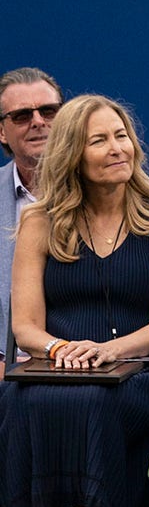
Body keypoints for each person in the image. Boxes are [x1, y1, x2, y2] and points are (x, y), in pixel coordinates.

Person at [0, 95, 149, 507]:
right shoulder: (39, 222)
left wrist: (108, 351)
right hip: (52, 370)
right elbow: (25, 327)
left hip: (139, 373)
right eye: (99, 141)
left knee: (94, 403)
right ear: (72, 156)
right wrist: (63, 349)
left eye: (121, 136)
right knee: (15, 402)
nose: (117, 148)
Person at [0, 67, 64, 370]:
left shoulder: (107, 192)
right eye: (22, 116)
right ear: (2, 131)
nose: (38, 122)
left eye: (49, 111)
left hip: (85, 364)